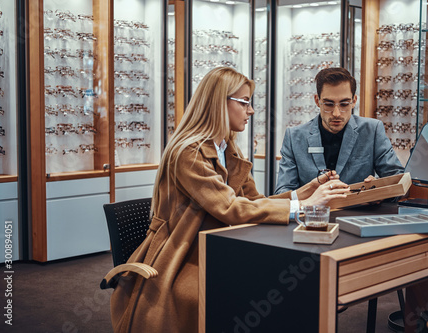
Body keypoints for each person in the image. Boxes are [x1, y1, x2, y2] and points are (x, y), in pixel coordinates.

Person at [110, 67, 349, 333]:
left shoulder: (227, 147)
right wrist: (304, 207)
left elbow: (254, 201)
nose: (251, 111)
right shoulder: (188, 152)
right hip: (181, 256)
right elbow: (230, 207)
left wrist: (305, 191)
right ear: (218, 102)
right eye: (244, 102)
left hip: (217, 245)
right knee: (262, 290)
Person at [275, 67, 404, 195]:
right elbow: (282, 193)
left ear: (354, 101)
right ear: (317, 101)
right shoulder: (294, 137)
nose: (336, 113)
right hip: (312, 214)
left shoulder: (372, 131)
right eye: (329, 104)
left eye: (344, 104)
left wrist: (378, 189)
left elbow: (399, 180)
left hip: (357, 214)